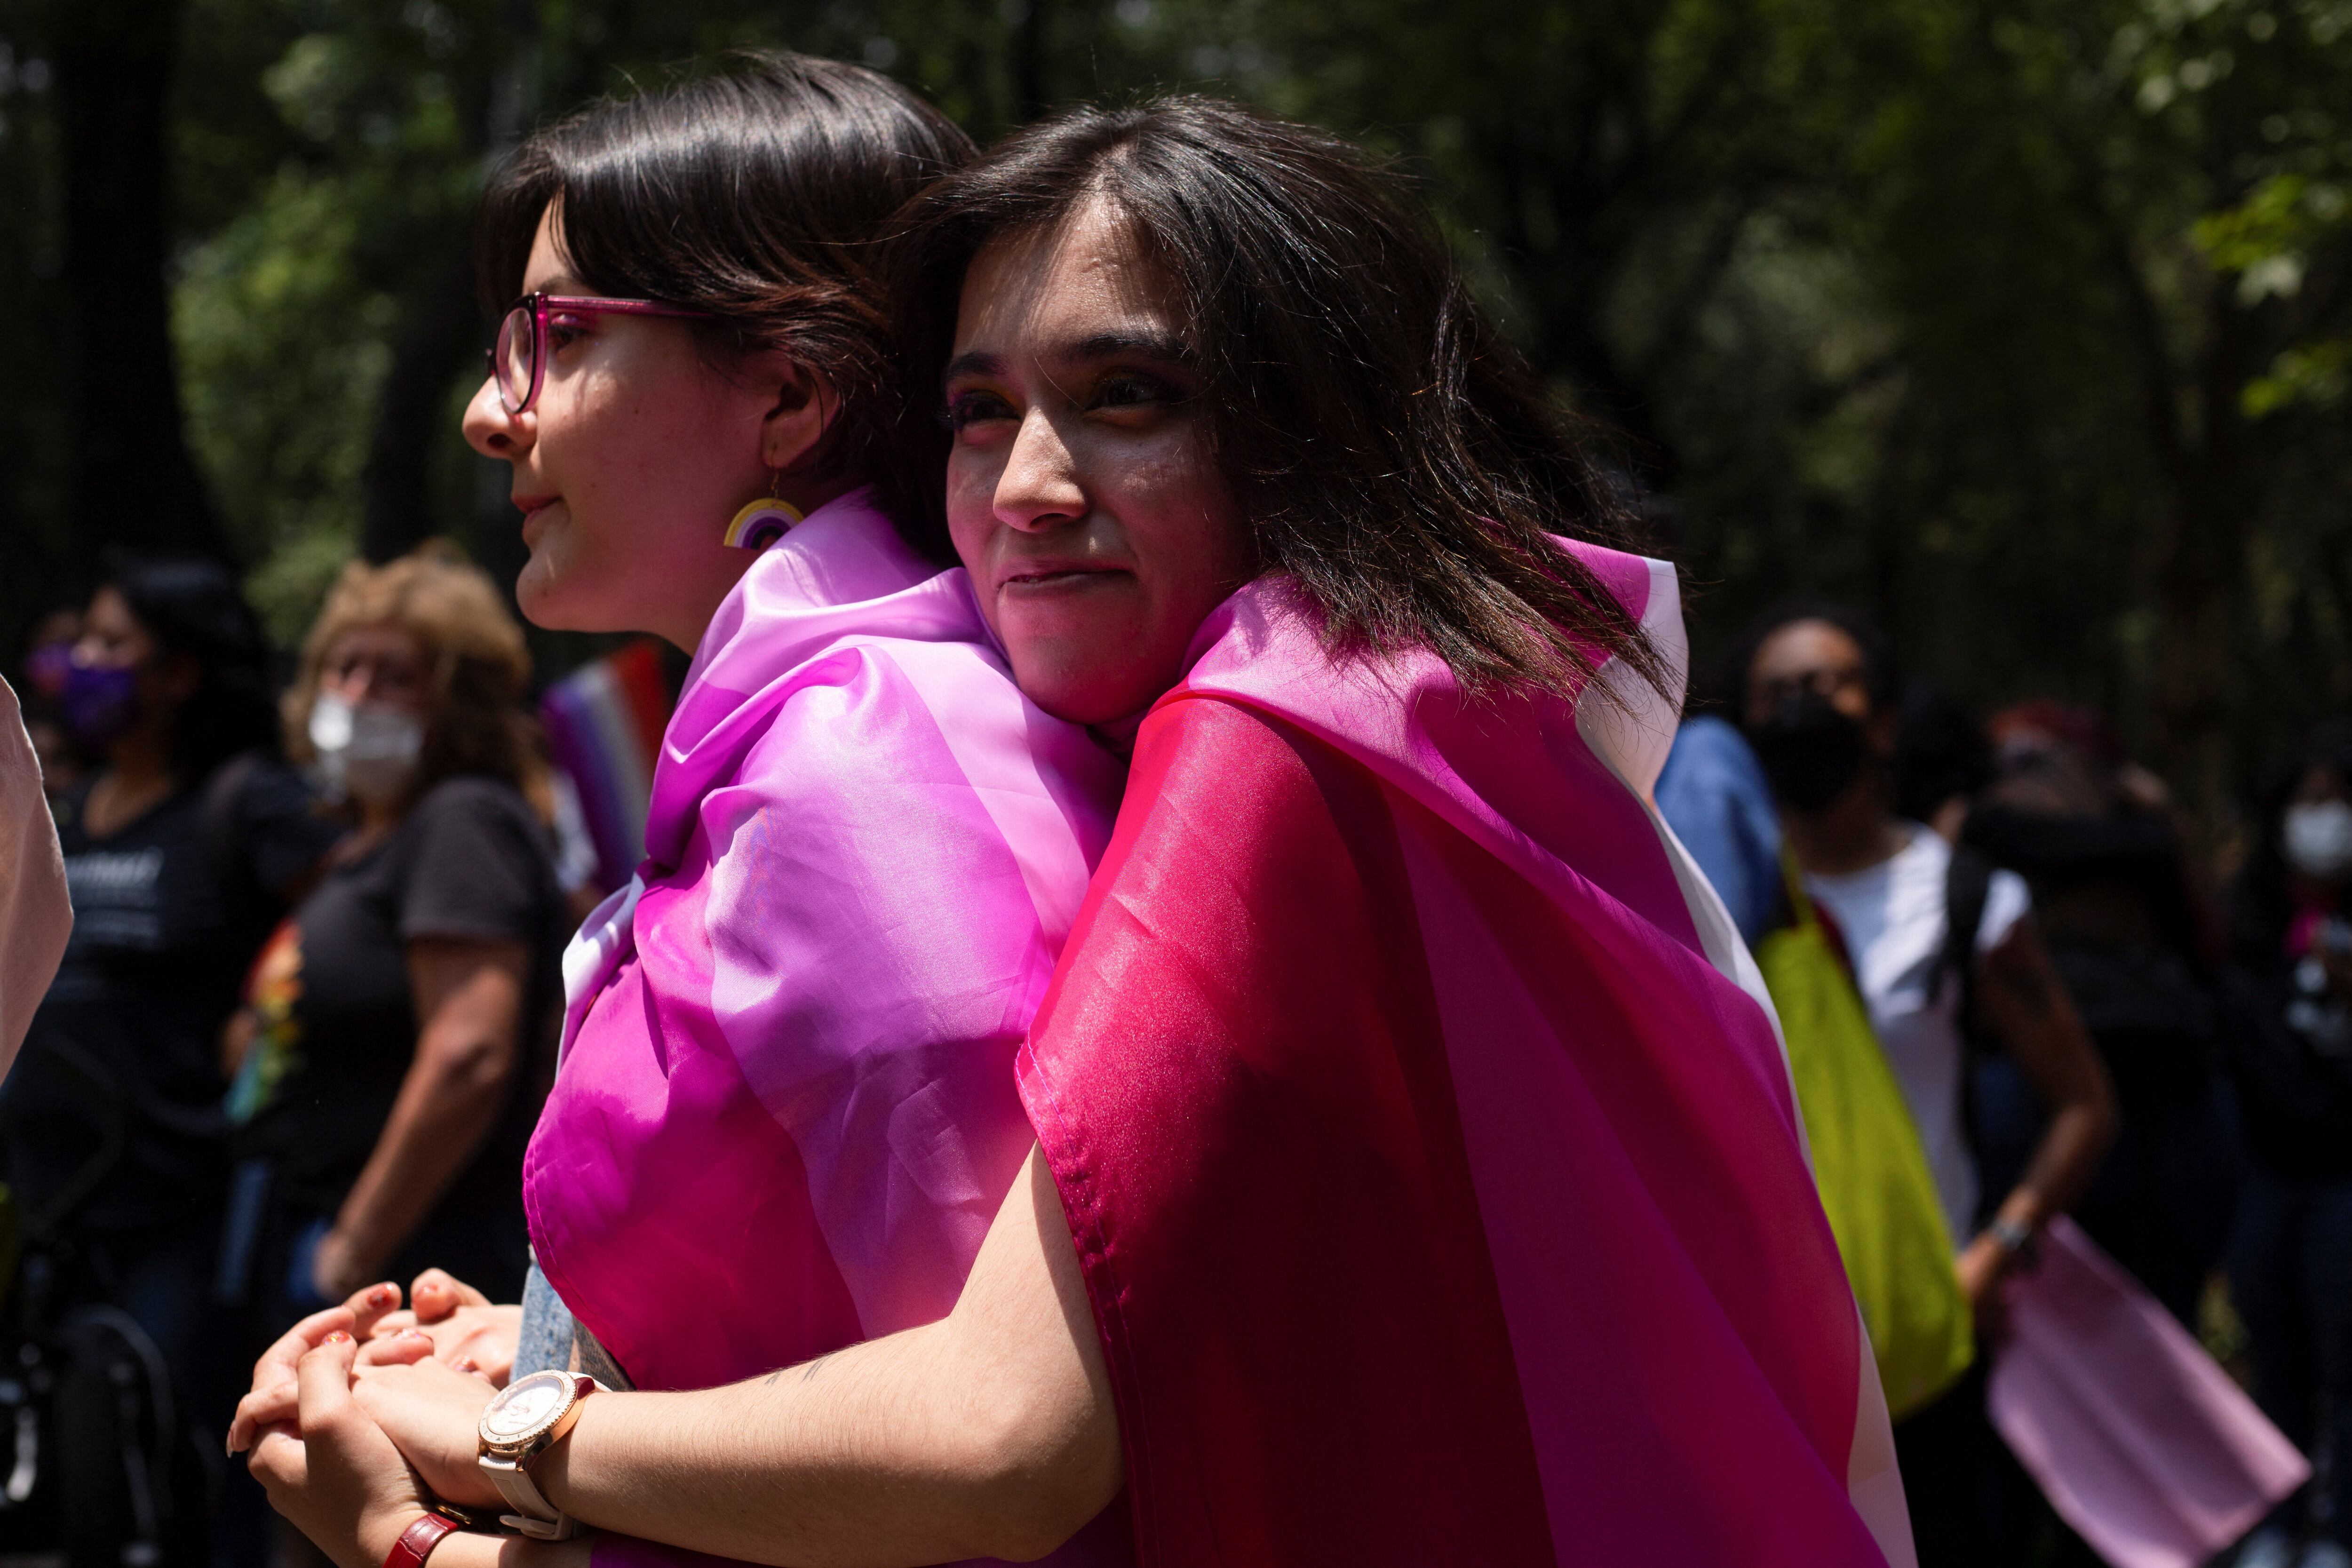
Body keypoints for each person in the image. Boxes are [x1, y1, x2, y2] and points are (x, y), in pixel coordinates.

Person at [241, 95, 1909, 1568]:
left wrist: (472, 1473)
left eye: (1128, 396)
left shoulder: (1258, 749)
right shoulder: (1353, 717)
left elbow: (1008, 1460)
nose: (1030, 480)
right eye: (981, 409)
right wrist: (559, 1353)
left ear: (1299, 428)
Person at [1730, 600, 2116, 1565]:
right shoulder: (1710, 899)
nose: (1800, 709)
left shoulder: (1964, 898)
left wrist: (1997, 1251)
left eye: (1825, 686)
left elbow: (2083, 1103)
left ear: (1886, 722)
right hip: (1765, 1349)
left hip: (1921, 1339)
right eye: (1775, 695)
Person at [1, 559, 344, 1568]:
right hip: (55, 1215)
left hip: (183, 1215)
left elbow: (361, 912)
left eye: (114, 645)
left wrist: (264, 1008)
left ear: (181, 672)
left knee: (193, 1457)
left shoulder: (246, 803)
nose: (82, 666)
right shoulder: (74, 802)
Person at [221, 543, 565, 1332]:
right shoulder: (359, 846)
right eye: (344, 669)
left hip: (416, 1271)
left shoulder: (461, 821)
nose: (358, 693)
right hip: (304, 1224)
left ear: (456, 701)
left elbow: (468, 1053)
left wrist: (353, 1244)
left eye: (395, 676)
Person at [1960, 702, 2236, 1330]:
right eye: (2014, 759)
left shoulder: (2145, 833)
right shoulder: (1984, 842)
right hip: (2053, 1106)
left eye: (2044, 756)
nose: (2029, 773)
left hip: (2164, 1090)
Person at [2221, 719, 2352, 1568]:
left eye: (2342, 802)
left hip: (2346, 1181)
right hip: (2268, 1172)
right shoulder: (2244, 924)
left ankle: (2338, 1528)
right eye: (2311, 802)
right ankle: (2276, 1516)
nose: (2328, 819)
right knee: (2277, 1348)